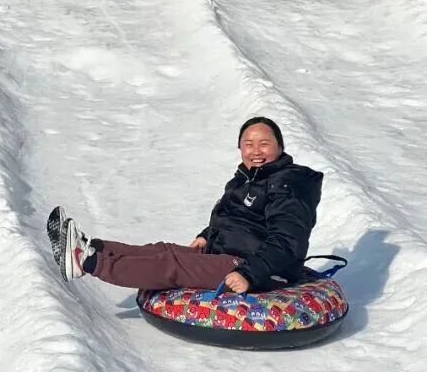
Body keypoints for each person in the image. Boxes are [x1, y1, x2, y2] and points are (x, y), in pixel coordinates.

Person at [47, 117, 323, 294]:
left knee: (172, 263)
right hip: (228, 253)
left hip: (262, 269)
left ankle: (88, 262)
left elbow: (288, 242)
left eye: (264, 143)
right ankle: (93, 246)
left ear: (280, 148)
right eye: (248, 144)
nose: (256, 151)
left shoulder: (289, 184)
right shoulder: (246, 178)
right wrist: (207, 234)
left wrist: (249, 274)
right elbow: (236, 219)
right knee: (162, 249)